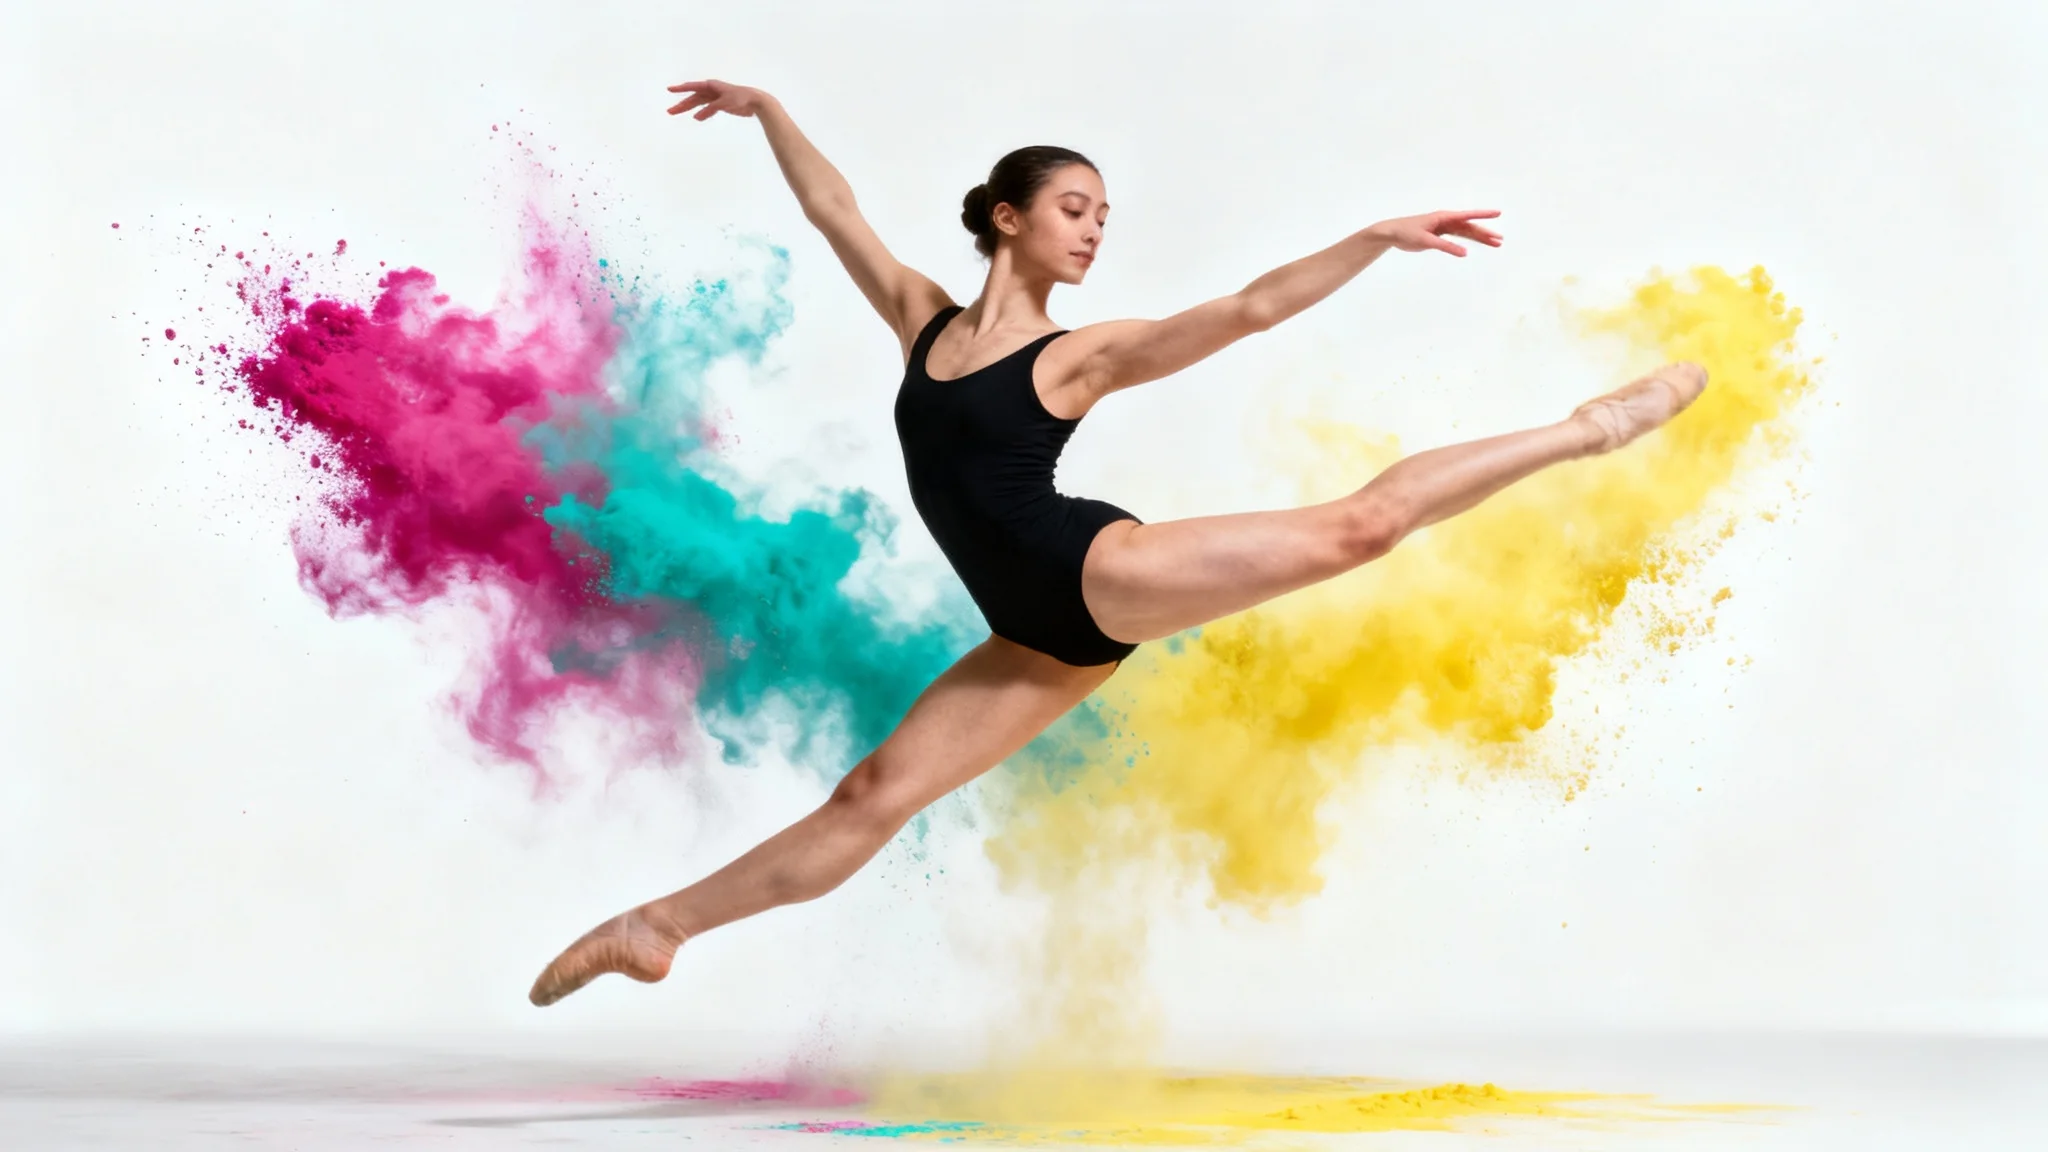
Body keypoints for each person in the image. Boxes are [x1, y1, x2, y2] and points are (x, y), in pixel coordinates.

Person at [527, 80, 1705, 1006]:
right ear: (1008, 216)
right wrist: (772, 113)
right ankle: (658, 927)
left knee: (1361, 527)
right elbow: (835, 208)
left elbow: (1243, 309)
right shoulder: (919, 317)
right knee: (868, 795)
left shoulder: (1075, 357)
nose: (1093, 233)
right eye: (1073, 209)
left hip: (1091, 573)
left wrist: (1369, 239)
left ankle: (1588, 428)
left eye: (1102, 217)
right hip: (1031, 634)